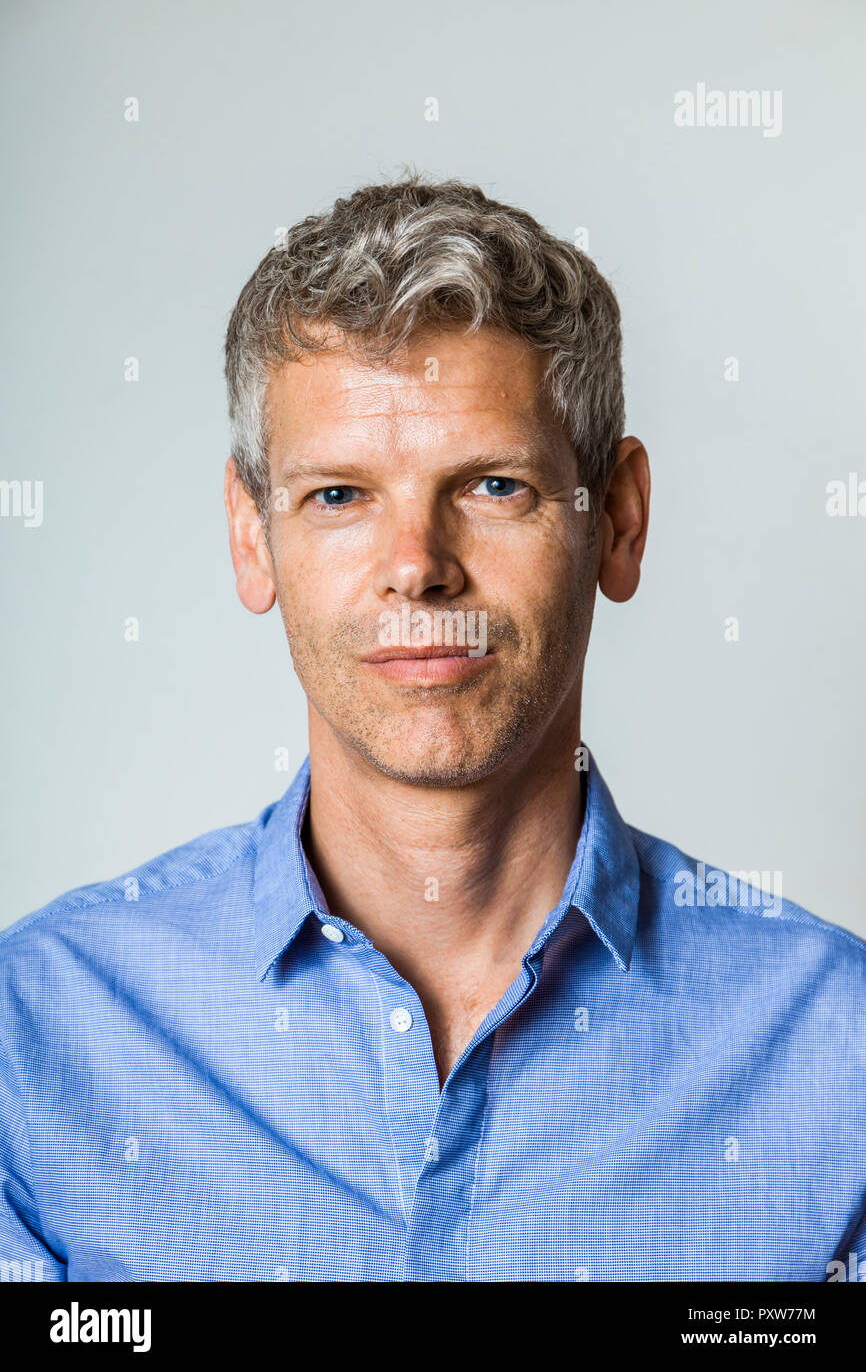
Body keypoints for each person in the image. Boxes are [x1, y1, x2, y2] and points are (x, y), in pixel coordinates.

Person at [2, 174, 864, 1283]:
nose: (415, 564)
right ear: (250, 537)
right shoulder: (39, 1038)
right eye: (338, 496)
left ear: (620, 520)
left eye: (493, 484)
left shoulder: (834, 1054)